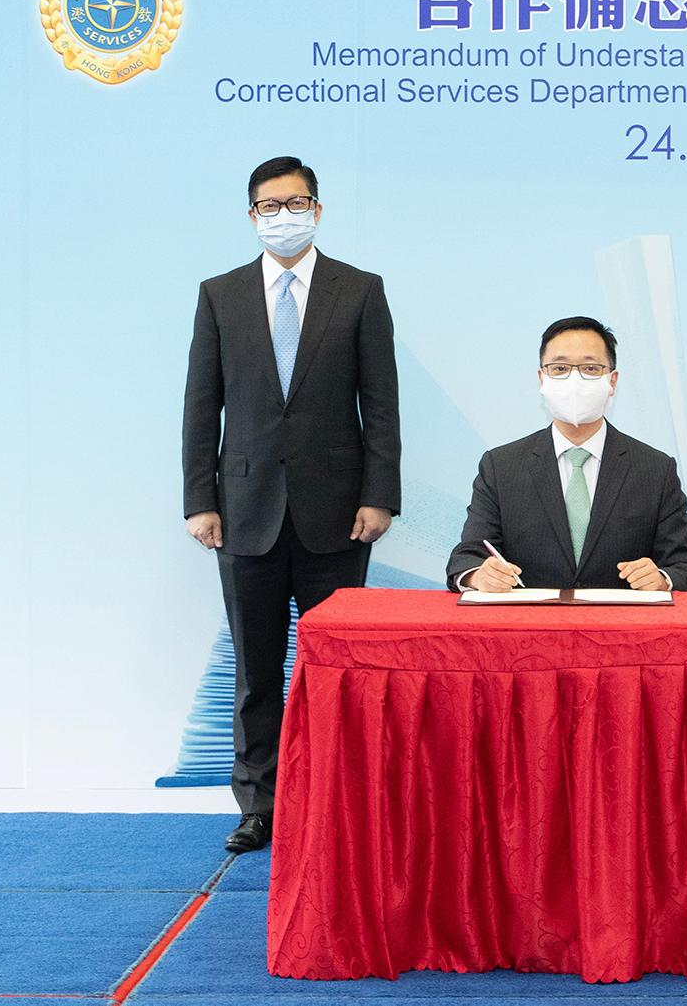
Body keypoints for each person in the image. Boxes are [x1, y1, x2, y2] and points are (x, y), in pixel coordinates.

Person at [181, 155, 400, 854]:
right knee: (255, 667)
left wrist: (379, 495)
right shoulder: (220, 295)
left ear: (318, 209)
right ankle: (260, 804)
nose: (285, 214)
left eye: (297, 201)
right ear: (252, 217)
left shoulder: (360, 291)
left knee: (335, 665)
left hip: (338, 514)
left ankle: (337, 797)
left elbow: (382, 404)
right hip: (242, 510)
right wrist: (198, 498)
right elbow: (200, 404)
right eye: (270, 205)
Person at [447, 316, 687, 593]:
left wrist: (662, 578)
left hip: (620, 630)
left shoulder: (655, 469)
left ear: (612, 381)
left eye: (591, 368)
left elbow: (685, 569)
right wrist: (478, 576)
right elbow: (466, 557)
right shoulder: (501, 466)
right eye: (560, 368)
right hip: (529, 629)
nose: (575, 380)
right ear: (542, 379)